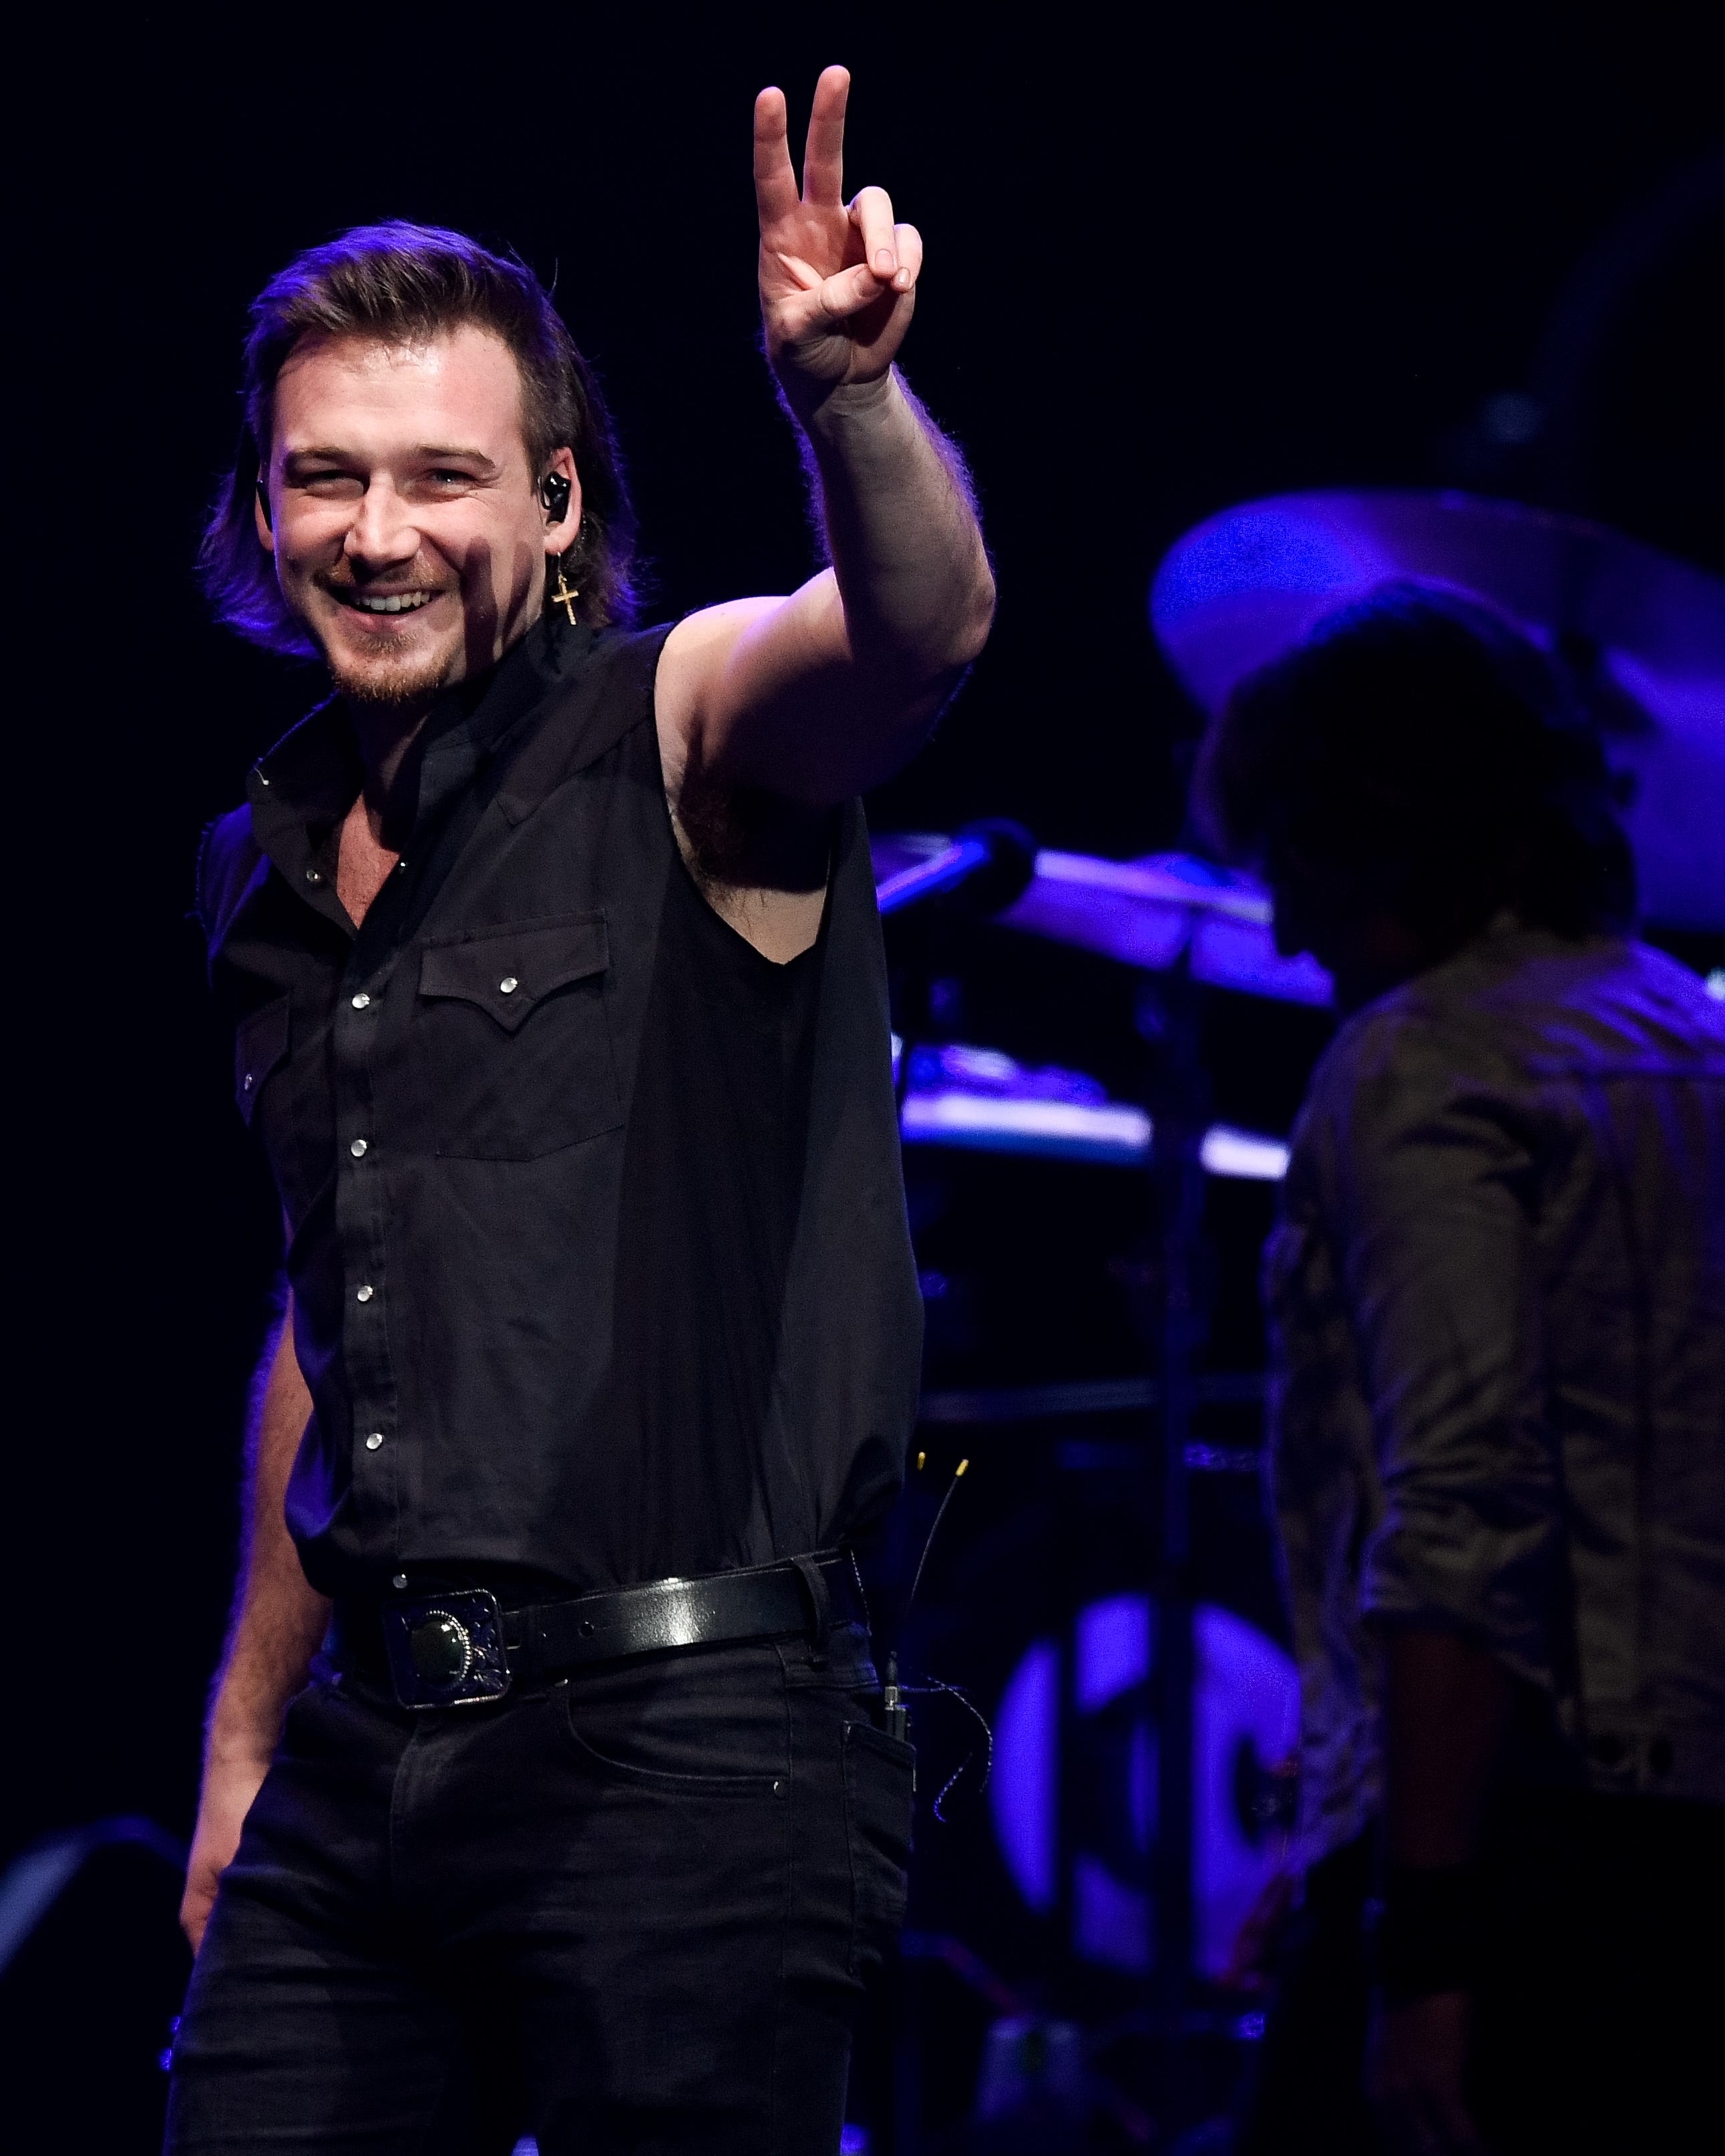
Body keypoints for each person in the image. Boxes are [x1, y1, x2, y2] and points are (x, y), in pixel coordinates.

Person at [166, 67, 994, 2155]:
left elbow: (917, 633)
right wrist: (243, 1750)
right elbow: (334, 1314)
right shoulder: (256, 862)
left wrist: (847, 408)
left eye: (440, 478)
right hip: (367, 1767)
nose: (375, 535)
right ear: (262, 510)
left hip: (688, 1749)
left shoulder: (678, 724)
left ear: (554, 506)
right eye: (320, 480)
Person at [1198, 584, 1725, 2154]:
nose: (1281, 927)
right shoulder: (1686, 1034)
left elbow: (1462, 1519)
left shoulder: (1421, 1064)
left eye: (1295, 857)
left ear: (1387, 834)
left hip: (1520, 1857)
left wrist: (1417, 1938)